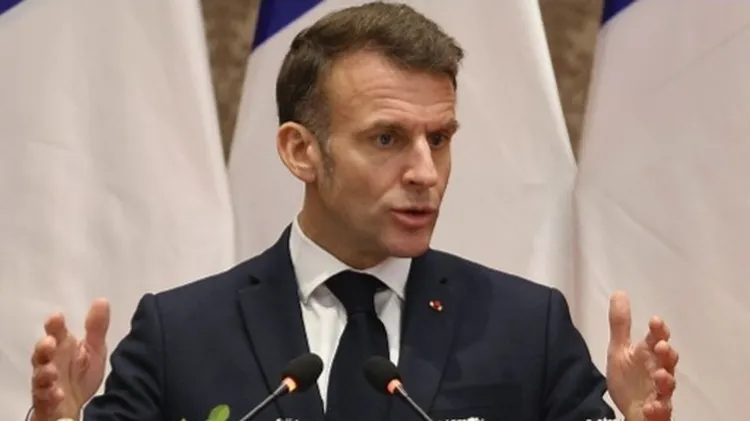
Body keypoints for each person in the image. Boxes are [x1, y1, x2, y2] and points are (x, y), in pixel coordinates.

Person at [28, 3, 678, 421]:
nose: (425, 172)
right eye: (386, 138)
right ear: (301, 150)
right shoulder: (181, 335)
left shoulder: (525, 329)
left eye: (439, 138)